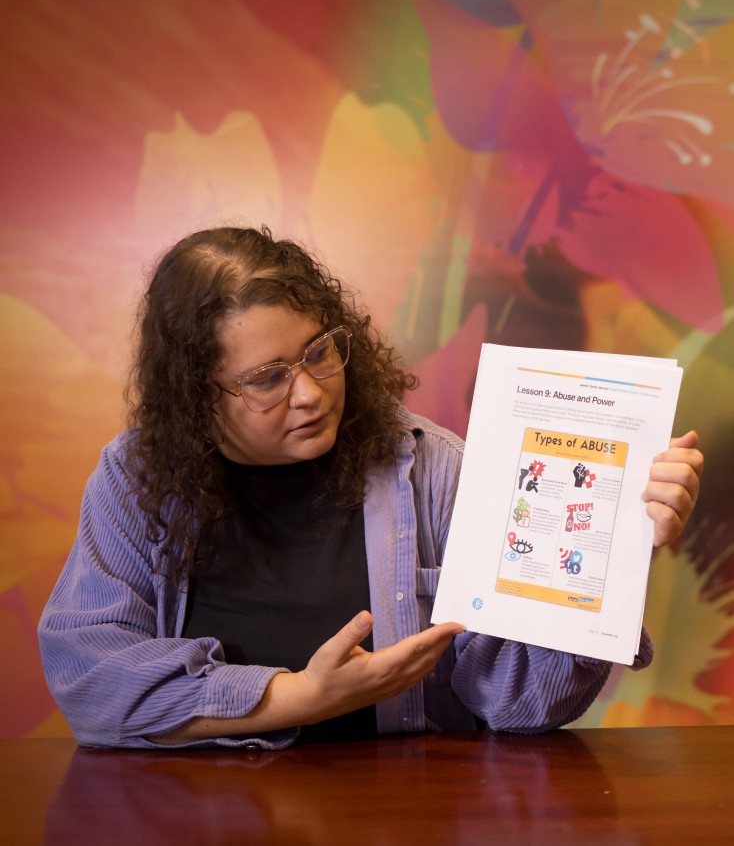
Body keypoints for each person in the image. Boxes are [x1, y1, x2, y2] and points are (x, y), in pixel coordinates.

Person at [38, 226, 704, 749]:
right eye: (268, 378)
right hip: (201, 819)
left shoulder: (435, 470)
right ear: (195, 395)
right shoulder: (136, 479)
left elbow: (519, 703)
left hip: (406, 814)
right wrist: (300, 697)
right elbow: (90, 683)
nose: (309, 392)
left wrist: (614, 550)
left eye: (319, 352)